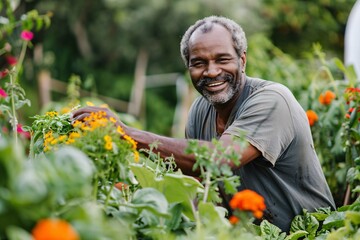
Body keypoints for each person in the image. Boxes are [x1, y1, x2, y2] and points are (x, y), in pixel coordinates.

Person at [72, 16, 336, 232]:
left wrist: (127, 134)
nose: (211, 72)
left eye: (222, 59)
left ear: (242, 60)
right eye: (198, 63)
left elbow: (220, 159)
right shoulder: (201, 109)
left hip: (309, 233)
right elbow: (199, 185)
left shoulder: (272, 100)